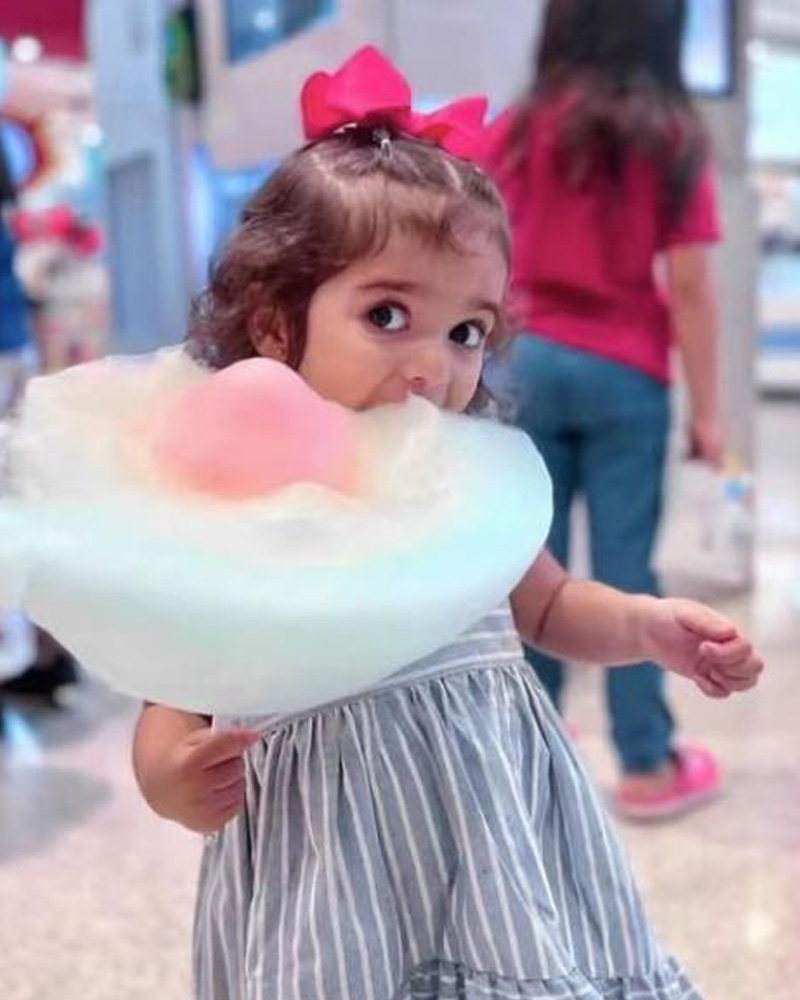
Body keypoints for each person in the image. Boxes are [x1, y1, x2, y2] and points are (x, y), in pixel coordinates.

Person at [132, 48, 762, 1000]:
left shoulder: (468, 478)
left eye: (467, 330)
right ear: (271, 323)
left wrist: (641, 626)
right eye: (388, 314)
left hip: (491, 835)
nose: (437, 365)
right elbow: (168, 691)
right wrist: (169, 779)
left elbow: (547, 606)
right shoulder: (241, 499)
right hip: (328, 866)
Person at [482, 0, 725, 819]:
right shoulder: (670, 136)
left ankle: (524, 761)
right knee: (627, 571)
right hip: (627, 373)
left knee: (527, 570)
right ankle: (648, 766)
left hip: (526, 363)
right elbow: (689, 286)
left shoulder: (517, 129)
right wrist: (709, 414)